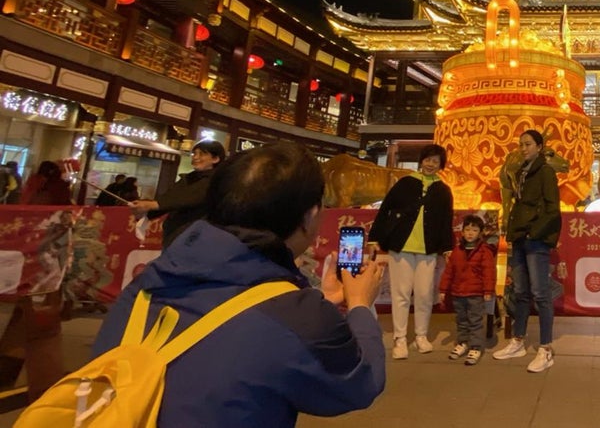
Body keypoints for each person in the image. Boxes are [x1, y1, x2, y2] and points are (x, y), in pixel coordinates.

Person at [90, 141, 386, 426]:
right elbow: (359, 381)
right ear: (309, 216)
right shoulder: (295, 315)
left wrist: (308, 302)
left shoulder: (144, 285)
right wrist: (360, 304)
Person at [369, 143, 454, 360]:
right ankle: (399, 338)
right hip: (402, 246)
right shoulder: (405, 183)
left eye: (435, 161)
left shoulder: (443, 190)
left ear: (441, 165)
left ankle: (421, 335)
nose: (430, 164)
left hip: (428, 249)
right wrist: (374, 237)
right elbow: (386, 208)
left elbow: (446, 220)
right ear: (421, 161)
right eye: (428, 160)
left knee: (425, 293)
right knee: (401, 293)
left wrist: (446, 247)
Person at [493, 130, 561, 373]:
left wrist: (536, 233)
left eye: (528, 144)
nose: (523, 148)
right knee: (520, 291)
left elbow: (553, 208)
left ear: (540, 147)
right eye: (521, 144)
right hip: (520, 237)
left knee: (540, 293)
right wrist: (512, 232)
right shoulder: (520, 172)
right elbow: (516, 204)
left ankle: (545, 348)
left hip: (536, 239)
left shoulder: (546, 172)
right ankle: (518, 341)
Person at [130, 140, 226, 247]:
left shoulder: (218, 181)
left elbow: (189, 198)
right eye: (194, 153)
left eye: (202, 154)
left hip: (197, 238)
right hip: (175, 234)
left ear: (215, 159)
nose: (195, 157)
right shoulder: (188, 178)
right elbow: (170, 197)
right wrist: (147, 212)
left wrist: (153, 205)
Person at [439, 214, 495, 366]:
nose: (470, 233)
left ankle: (476, 347)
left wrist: (488, 291)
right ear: (462, 232)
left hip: (475, 294)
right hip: (458, 293)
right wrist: (443, 289)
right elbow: (449, 271)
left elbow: (489, 273)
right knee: (461, 320)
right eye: (467, 229)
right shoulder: (457, 251)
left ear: (480, 233)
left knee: (475, 321)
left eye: (474, 230)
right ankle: (462, 342)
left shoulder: (485, 251)